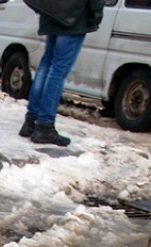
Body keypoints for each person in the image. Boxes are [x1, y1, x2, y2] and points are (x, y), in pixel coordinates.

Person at [18, 0, 104, 146]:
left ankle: (31, 121)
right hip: (74, 18)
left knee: (46, 65)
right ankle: (44, 126)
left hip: (51, 14)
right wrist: (97, 10)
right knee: (58, 70)